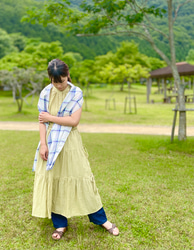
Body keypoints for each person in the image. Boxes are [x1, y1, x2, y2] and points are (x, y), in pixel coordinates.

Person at [32, 59, 119, 240]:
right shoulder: (46, 93)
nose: (59, 85)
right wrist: (43, 144)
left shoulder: (76, 92)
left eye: (62, 81)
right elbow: (41, 122)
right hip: (50, 141)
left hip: (70, 141)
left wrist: (50, 117)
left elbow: (73, 121)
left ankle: (100, 219)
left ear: (68, 75)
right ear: (50, 78)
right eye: (55, 82)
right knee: (55, 180)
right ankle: (60, 224)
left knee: (82, 177)